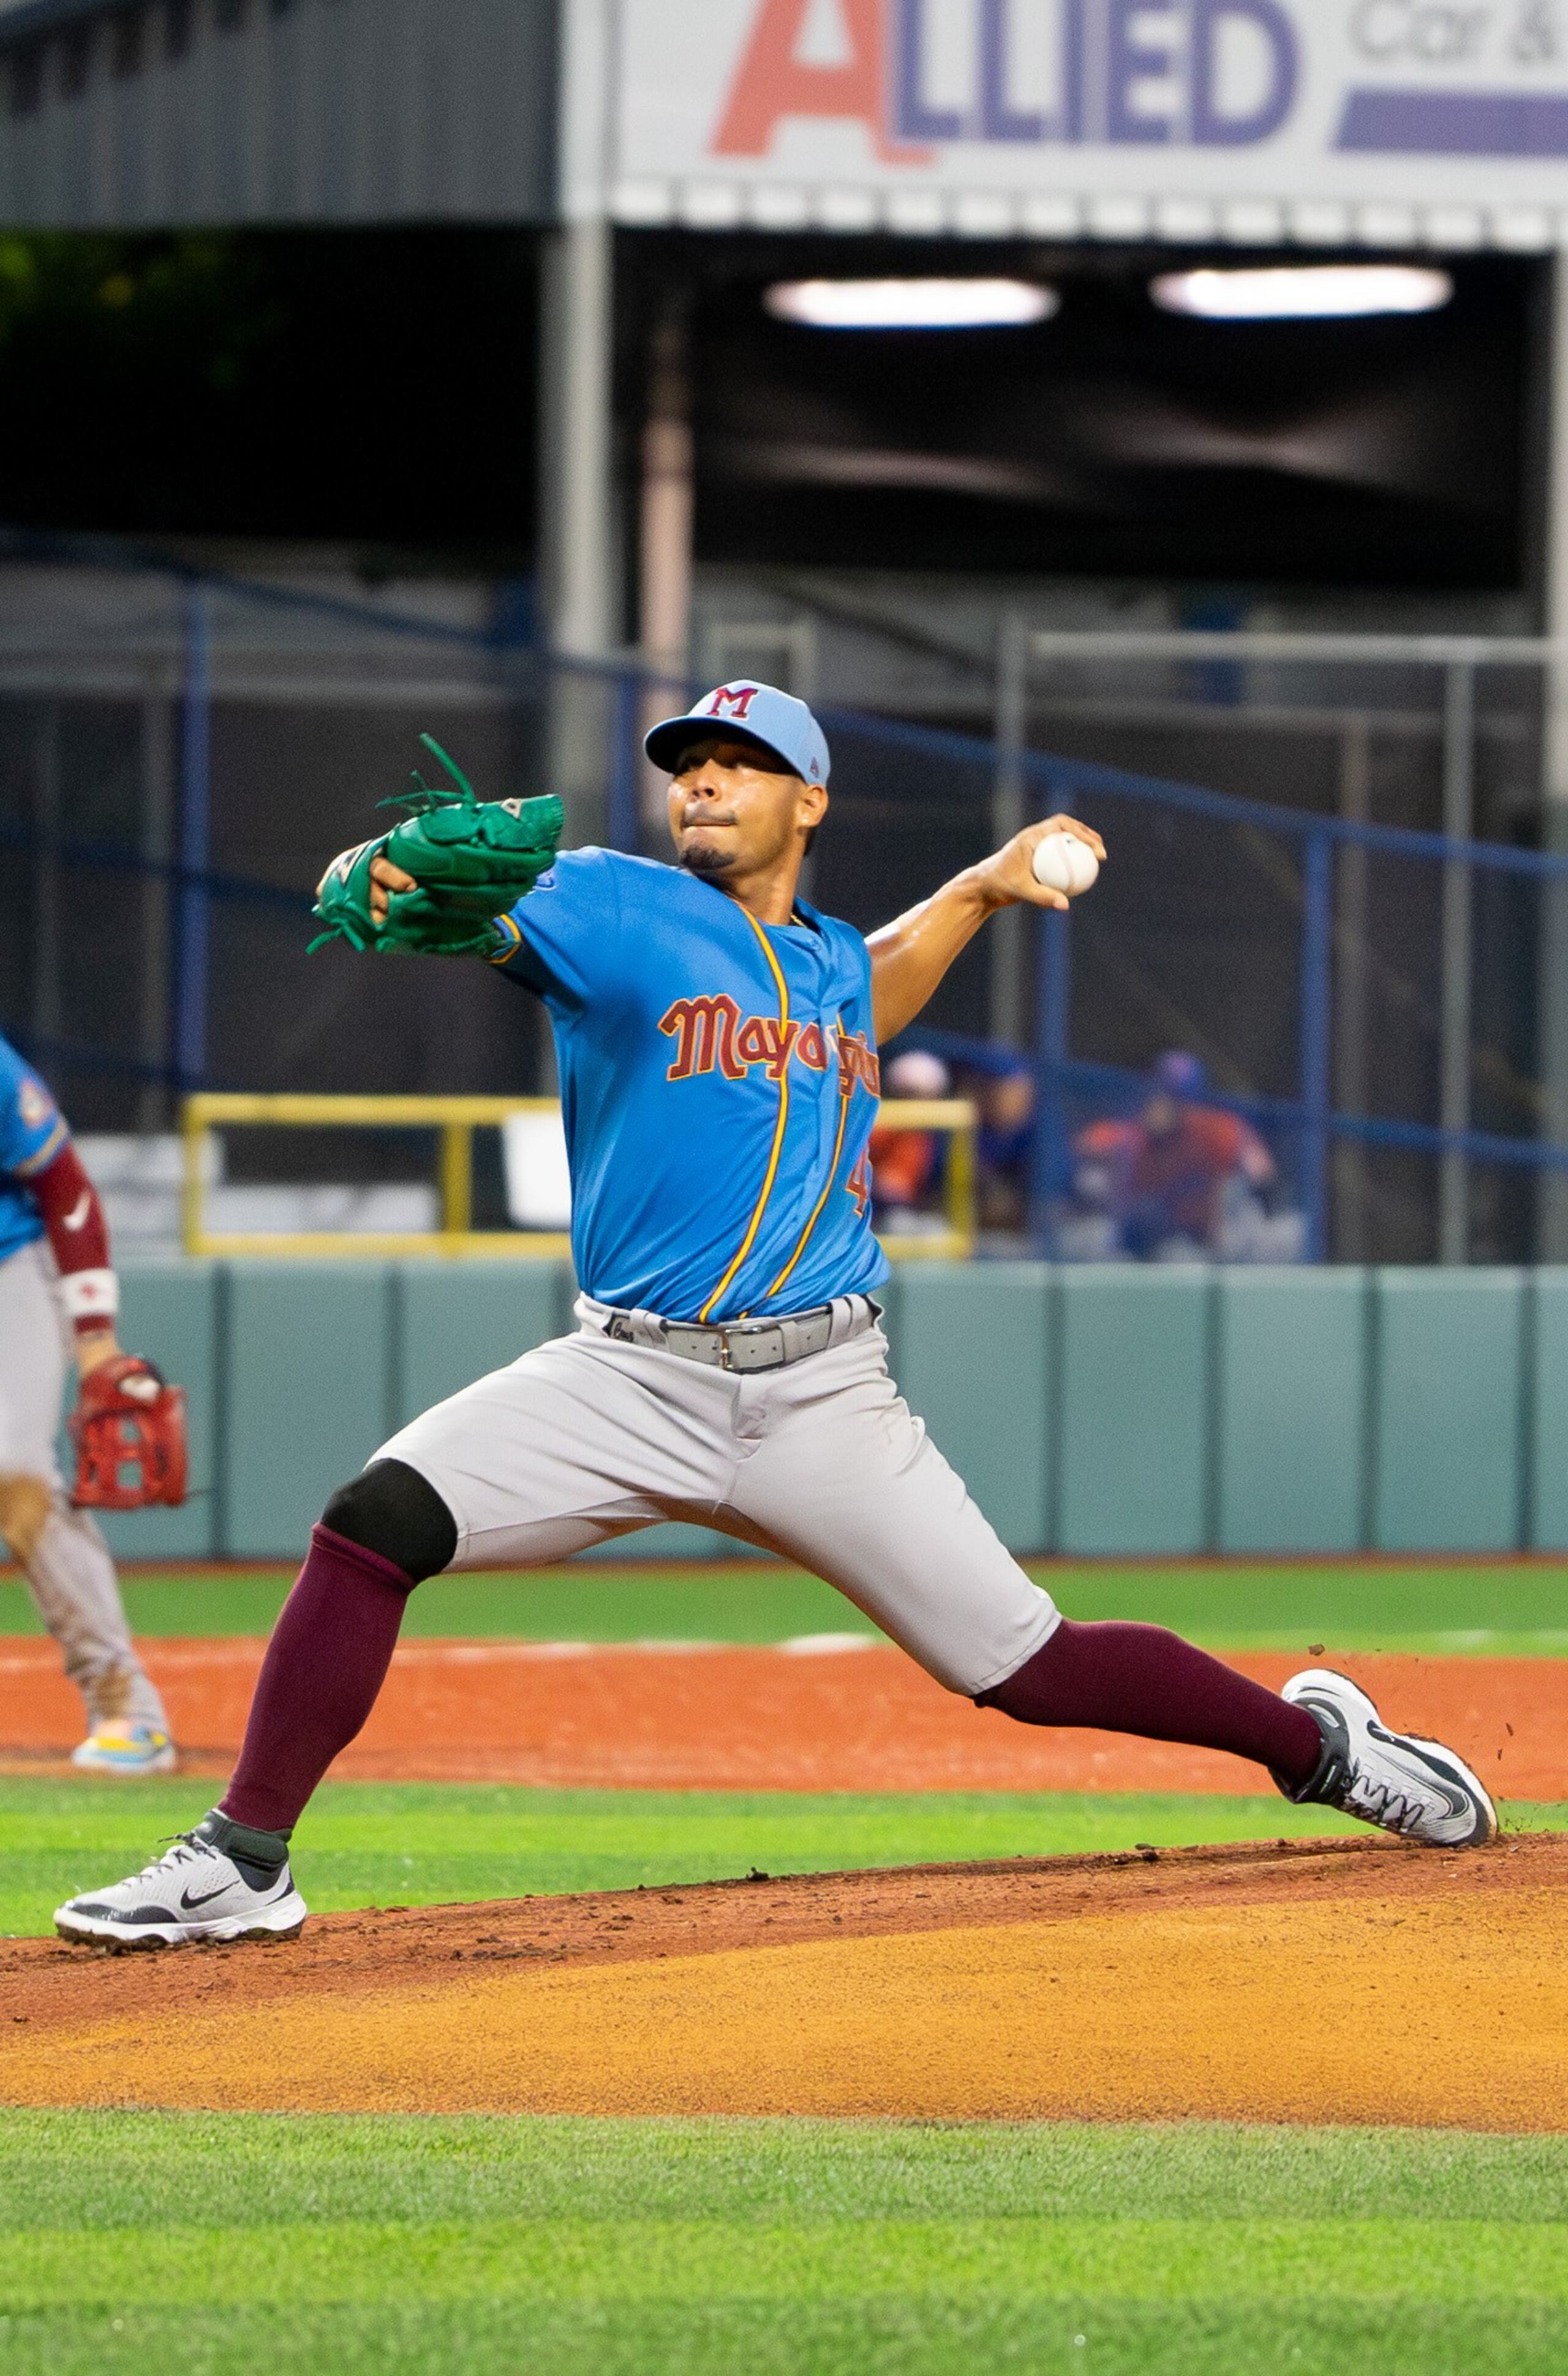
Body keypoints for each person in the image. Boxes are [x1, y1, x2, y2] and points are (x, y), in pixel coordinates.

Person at [56, 681, 1494, 1948]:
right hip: (626, 1376)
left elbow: (886, 976)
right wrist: (374, 868)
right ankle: (244, 1863)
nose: (700, 778)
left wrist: (988, 887)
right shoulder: (608, 904)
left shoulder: (827, 970)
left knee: (1028, 1667)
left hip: (823, 1395)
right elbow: (400, 898)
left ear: (807, 799)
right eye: (686, 758)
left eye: (735, 761)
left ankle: (1321, 1750)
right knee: (372, 1529)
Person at [0, 1035, 178, 1774]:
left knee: (15, 1470)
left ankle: (125, 1705)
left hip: (9, 1262)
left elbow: (65, 1185)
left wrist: (95, 1335)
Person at [1074, 1051, 1280, 1260]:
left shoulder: (1214, 1130)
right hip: (1159, 1238)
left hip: (1208, 1238)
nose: (1157, 1105)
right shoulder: (1136, 1136)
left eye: (1169, 1098)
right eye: (1157, 1096)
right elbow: (1089, 1144)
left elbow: (1261, 1170)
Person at [869, 1048, 950, 1231]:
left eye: (927, 1095)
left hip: (910, 1215)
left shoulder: (940, 1137)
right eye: (909, 1093)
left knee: (935, 1230)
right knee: (899, 1224)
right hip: (874, 1216)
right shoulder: (877, 1130)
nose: (919, 1102)